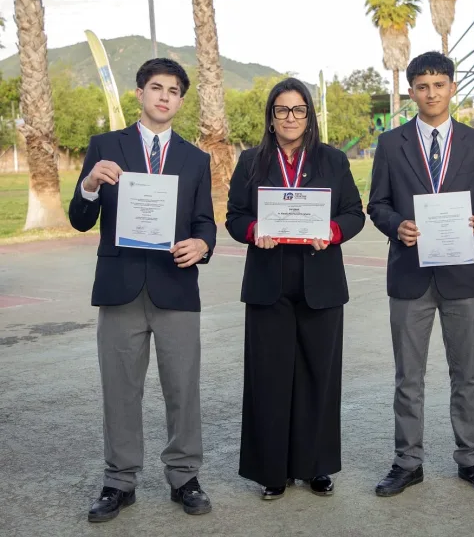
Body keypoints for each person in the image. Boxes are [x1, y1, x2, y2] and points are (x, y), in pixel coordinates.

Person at [69, 58, 216, 522]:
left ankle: (184, 476)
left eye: (174, 91)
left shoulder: (195, 158)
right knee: (120, 389)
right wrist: (89, 185)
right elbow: (79, 219)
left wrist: (202, 244)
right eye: (156, 88)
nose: (164, 97)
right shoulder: (105, 146)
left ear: (180, 100)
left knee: (182, 387)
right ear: (139, 93)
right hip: (121, 287)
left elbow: (204, 221)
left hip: (175, 286)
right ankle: (119, 481)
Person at [367, 51, 474, 497]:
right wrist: (395, 225)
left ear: (452, 87)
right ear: (412, 91)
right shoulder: (391, 144)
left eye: (439, 84)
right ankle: (408, 462)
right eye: (422, 86)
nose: (431, 93)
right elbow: (378, 204)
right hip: (410, 274)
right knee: (409, 376)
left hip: (461, 274)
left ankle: (473, 459)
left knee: (466, 373)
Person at [226, 77, 365, 500]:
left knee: (317, 377)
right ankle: (272, 471)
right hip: (269, 282)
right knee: (269, 380)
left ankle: (316, 467)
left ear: (310, 116)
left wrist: (333, 231)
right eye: (282, 110)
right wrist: (253, 231)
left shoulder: (333, 160)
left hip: (320, 282)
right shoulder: (251, 162)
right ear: (271, 118)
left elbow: (354, 213)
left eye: (299, 110)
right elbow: (234, 216)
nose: (291, 117)